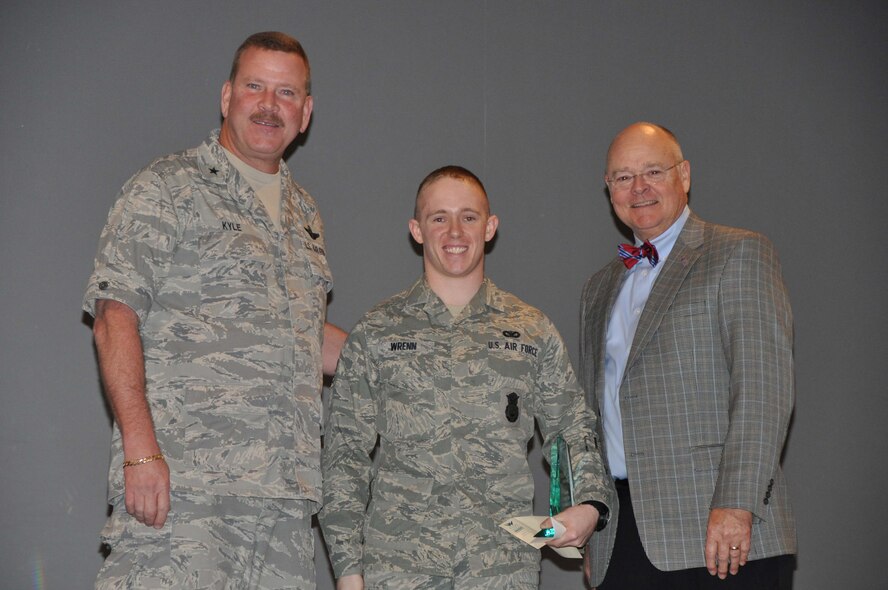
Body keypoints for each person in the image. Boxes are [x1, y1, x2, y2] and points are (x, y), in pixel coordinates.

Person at [83, 32, 347, 589]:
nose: (269, 105)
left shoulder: (305, 214)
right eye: (255, 86)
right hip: (187, 494)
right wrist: (139, 451)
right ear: (227, 96)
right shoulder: (168, 188)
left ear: (306, 112)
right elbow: (114, 317)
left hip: (285, 504)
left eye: (286, 92)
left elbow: (300, 336)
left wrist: (406, 360)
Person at [319, 166, 612, 590]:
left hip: (501, 569)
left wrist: (588, 503)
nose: (454, 230)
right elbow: (344, 455)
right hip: (400, 568)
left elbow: (571, 427)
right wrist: (348, 572)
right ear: (417, 229)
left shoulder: (531, 330)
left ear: (489, 227)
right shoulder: (378, 332)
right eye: (439, 217)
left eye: (469, 216)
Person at [581, 122, 796, 589]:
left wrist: (736, 504)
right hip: (623, 538)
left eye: (653, 170)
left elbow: (764, 391)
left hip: (718, 533)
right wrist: (594, 529)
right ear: (608, 189)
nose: (638, 187)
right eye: (622, 177)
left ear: (685, 175)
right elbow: (594, 419)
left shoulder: (738, 253)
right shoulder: (598, 289)